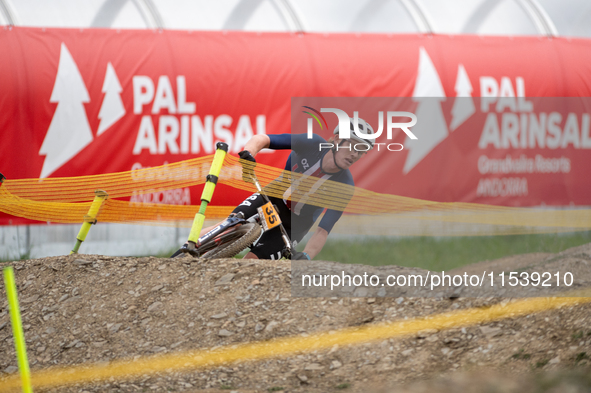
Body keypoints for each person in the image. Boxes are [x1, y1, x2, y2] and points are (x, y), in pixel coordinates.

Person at [232, 117, 375, 260]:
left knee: (252, 261)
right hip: (272, 197)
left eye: (361, 151)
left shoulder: (344, 187)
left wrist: (306, 256)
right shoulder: (312, 144)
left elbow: (322, 231)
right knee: (231, 225)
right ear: (337, 139)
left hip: (294, 225)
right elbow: (263, 139)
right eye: (353, 146)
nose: (355, 154)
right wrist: (249, 153)